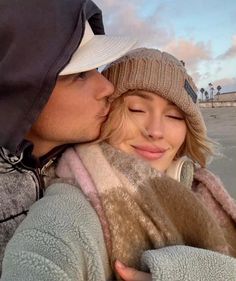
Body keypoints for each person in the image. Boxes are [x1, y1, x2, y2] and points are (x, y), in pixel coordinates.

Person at [2, 47, 236, 280]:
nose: (155, 131)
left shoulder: (201, 186)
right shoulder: (73, 201)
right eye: (136, 109)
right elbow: (42, 255)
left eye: (174, 116)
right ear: (106, 113)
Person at [0, 0, 136, 274]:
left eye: (97, 69)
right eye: (81, 75)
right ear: (25, 90)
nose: (107, 87)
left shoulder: (107, 160)